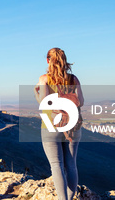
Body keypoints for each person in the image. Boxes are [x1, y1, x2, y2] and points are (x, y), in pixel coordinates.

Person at [34, 47, 84, 200]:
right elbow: (80, 102)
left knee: (56, 165)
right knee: (71, 165)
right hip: (73, 124)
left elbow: (44, 103)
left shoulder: (44, 79)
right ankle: (69, 197)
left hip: (52, 124)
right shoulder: (73, 79)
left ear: (48, 61)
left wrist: (36, 93)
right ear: (64, 61)